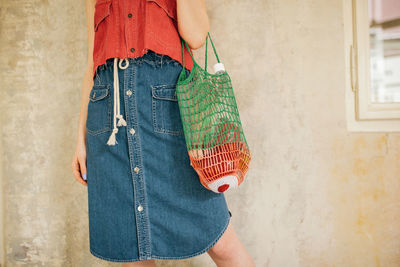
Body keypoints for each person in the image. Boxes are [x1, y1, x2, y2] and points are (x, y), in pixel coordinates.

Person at [71, 0, 255, 266]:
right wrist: (80, 139)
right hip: (108, 119)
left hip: (168, 111)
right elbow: (92, 62)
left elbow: (196, 37)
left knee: (220, 239)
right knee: (132, 251)